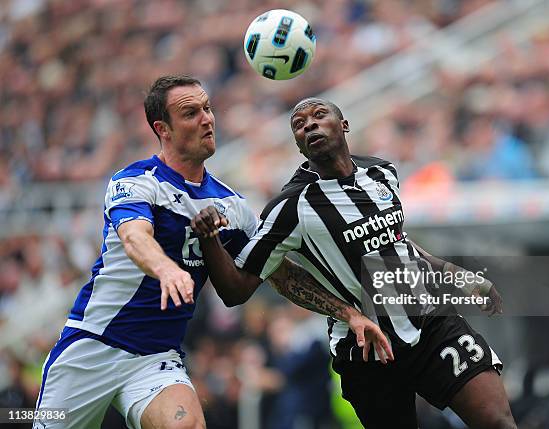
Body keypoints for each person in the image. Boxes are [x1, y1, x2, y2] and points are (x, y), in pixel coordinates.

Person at [34, 79, 392, 429]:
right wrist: (166, 270)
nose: (207, 119)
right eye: (191, 113)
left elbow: (280, 275)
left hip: (155, 358)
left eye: (207, 108)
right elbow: (134, 237)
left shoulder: (231, 206)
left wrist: (348, 313)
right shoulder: (136, 181)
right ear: (164, 129)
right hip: (92, 348)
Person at [191, 97, 518, 428]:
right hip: (366, 350)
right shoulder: (291, 208)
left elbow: (397, 244)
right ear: (298, 145)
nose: (309, 125)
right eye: (299, 124)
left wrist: (456, 276)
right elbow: (236, 289)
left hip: (432, 323)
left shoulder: (381, 172)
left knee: (497, 421)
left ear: (343, 125)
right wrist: (208, 238)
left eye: (319, 115)